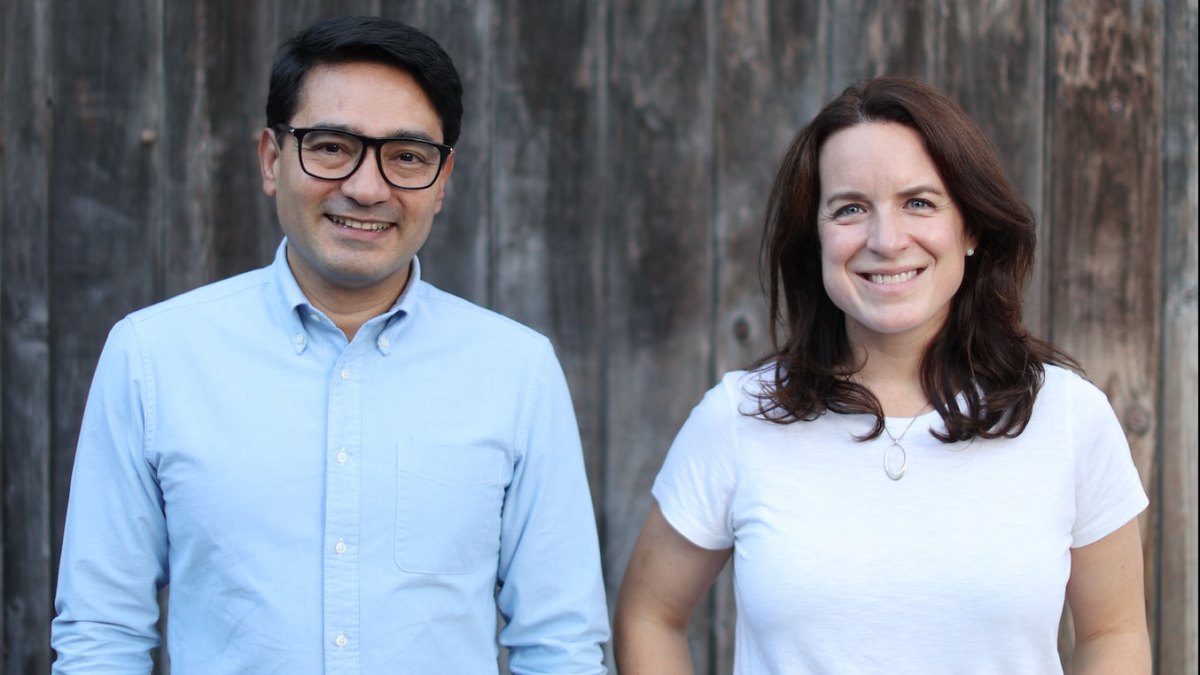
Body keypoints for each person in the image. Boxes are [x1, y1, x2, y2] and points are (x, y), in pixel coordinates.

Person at [51, 15, 609, 674]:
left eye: (407, 156)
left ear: (443, 180)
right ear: (271, 159)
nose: (366, 188)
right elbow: (102, 634)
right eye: (331, 146)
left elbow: (560, 645)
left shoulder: (515, 370)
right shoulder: (153, 357)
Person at [614, 75, 1150, 674]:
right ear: (815, 238)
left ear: (971, 227)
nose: (886, 240)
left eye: (918, 202)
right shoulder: (739, 419)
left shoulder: (1068, 416)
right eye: (850, 209)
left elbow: (1112, 633)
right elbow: (649, 616)